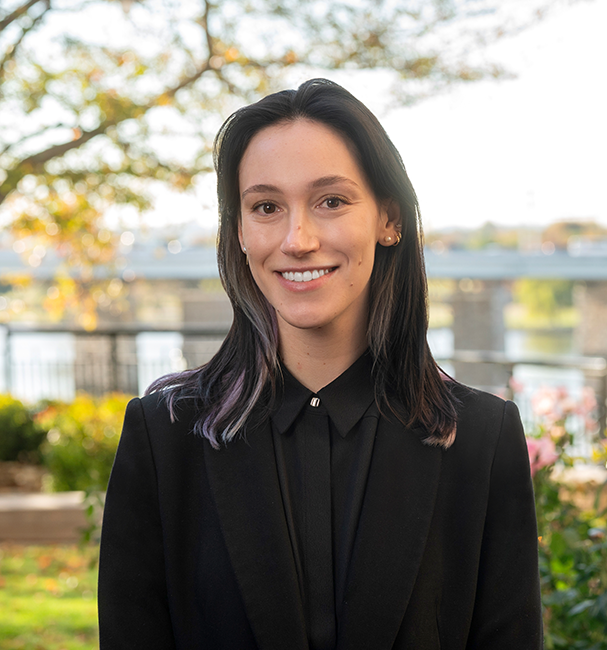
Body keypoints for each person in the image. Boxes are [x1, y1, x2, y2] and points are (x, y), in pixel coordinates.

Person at [98, 78, 542, 649]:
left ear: (389, 219)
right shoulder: (165, 438)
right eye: (265, 206)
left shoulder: (480, 440)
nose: (297, 238)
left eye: (330, 201)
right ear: (237, 230)